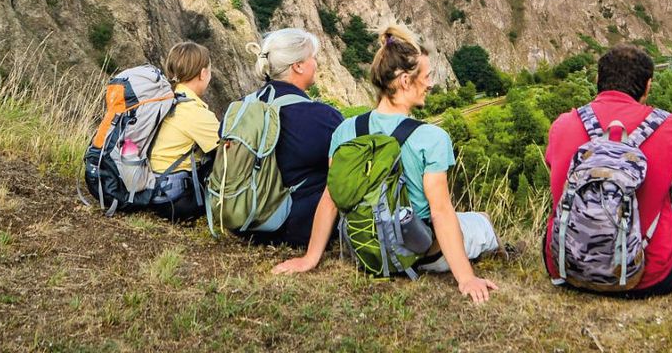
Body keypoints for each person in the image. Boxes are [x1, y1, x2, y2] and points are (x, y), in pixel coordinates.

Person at [273, 24, 501, 303]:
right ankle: (501, 250)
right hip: (419, 254)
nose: (430, 84)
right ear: (405, 81)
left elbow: (330, 199)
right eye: (426, 77)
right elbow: (440, 211)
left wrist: (310, 259)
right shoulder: (431, 137)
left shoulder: (346, 131)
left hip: (364, 250)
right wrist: (466, 278)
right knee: (482, 221)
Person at [544, 43, 672, 296]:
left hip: (566, 269)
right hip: (646, 278)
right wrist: (669, 188)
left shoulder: (563, 124)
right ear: (648, 86)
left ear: (598, 80)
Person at [242, 28, 344, 248]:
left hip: (243, 218)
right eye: (312, 58)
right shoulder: (320, 117)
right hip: (294, 227)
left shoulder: (244, 107)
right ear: (297, 65)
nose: (316, 63)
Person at [149, 41, 221, 221]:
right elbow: (229, 150)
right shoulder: (194, 112)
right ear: (203, 74)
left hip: (146, 187)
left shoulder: (162, 99)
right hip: (171, 200)